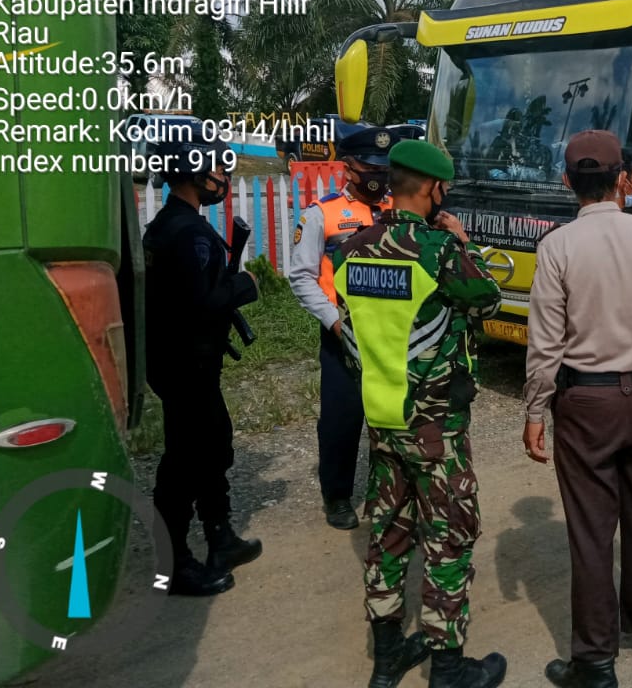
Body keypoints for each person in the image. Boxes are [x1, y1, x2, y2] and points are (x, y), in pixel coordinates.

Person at [522, 129, 632, 688]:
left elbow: (546, 342)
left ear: (568, 182)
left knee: (593, 529)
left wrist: (535, 410)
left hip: (586, 403)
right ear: (625, 178)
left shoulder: (557, 247)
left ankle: (595, 662)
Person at [334, 139, 507, 688]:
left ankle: (387, 661)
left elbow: (351, 332)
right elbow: (487, 300)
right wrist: (463, 241)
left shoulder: (354, 250)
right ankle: (448, 670)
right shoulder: (438, 249)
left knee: (387, 534)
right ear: (433, 189)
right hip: (435, 426)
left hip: (383, 419)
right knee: (448, 536)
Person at [143, 129, 263, 597]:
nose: (222, 174)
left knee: (213, 444)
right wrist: (245, 285)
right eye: (214, 165)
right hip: (186, 365)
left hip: (181, 363)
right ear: (192, 171)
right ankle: (173, 566)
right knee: (183, 463)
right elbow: (202, 301)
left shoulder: (168, 223)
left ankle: (221, 537)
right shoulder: (188, 231)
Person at [289, 125, 394, 529]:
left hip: (388, 334)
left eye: (383, 168)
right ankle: (337, 496)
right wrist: (334, 323)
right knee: (342, 418)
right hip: (342, 335)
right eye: (370, 166)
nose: (378, 175)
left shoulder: (394, 211)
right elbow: (302, 276)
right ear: (348, 168)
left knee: (387, 416)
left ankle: (385, 494)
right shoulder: (321, 213)